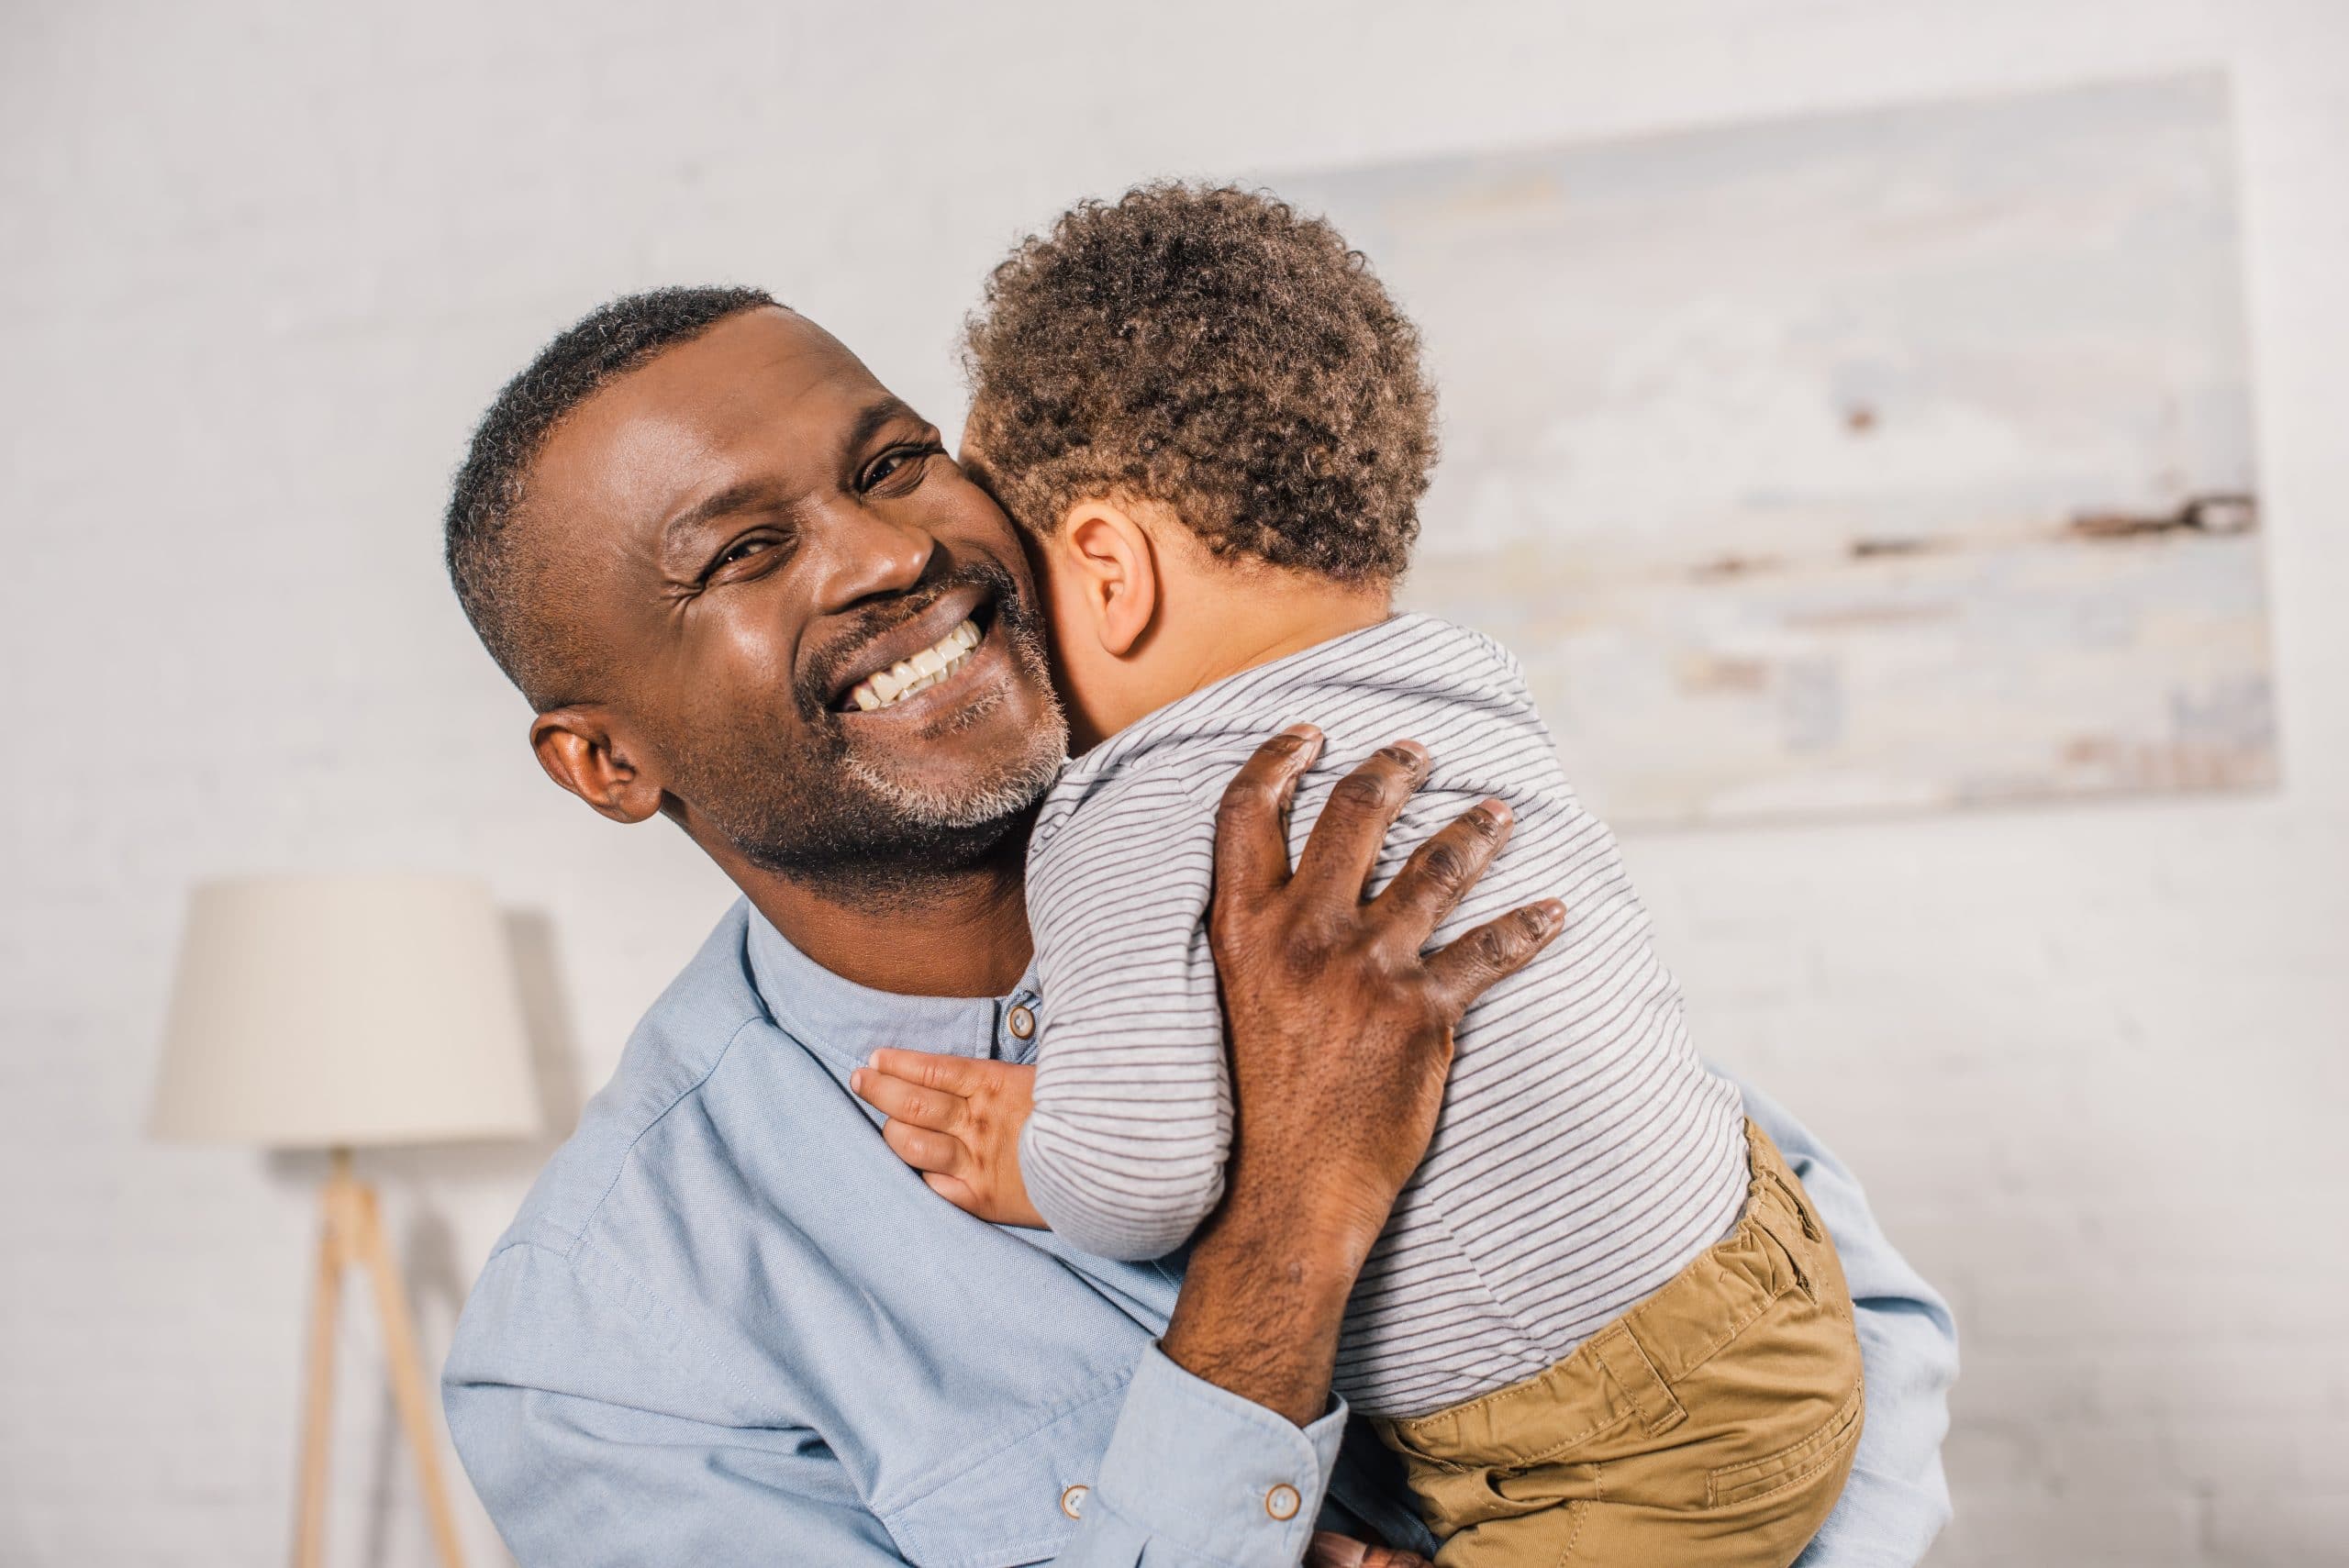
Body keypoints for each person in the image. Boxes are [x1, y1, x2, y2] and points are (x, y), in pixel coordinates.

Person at [438, 285, 1958, 1566]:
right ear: (606, 761)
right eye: (744, 554)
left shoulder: (1322, 824)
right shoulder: (600, 1358)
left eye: (897, 461)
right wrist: (1290, 1208)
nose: (891, 553)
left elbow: (1845, 1300)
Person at [847, 183, 1861, 1568]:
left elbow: (1142, 1172)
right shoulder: (1464, 685)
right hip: (1772, 1265)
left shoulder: (1139, 809)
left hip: (1607, 1430)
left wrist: (1028, 1154)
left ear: (1104, 565)